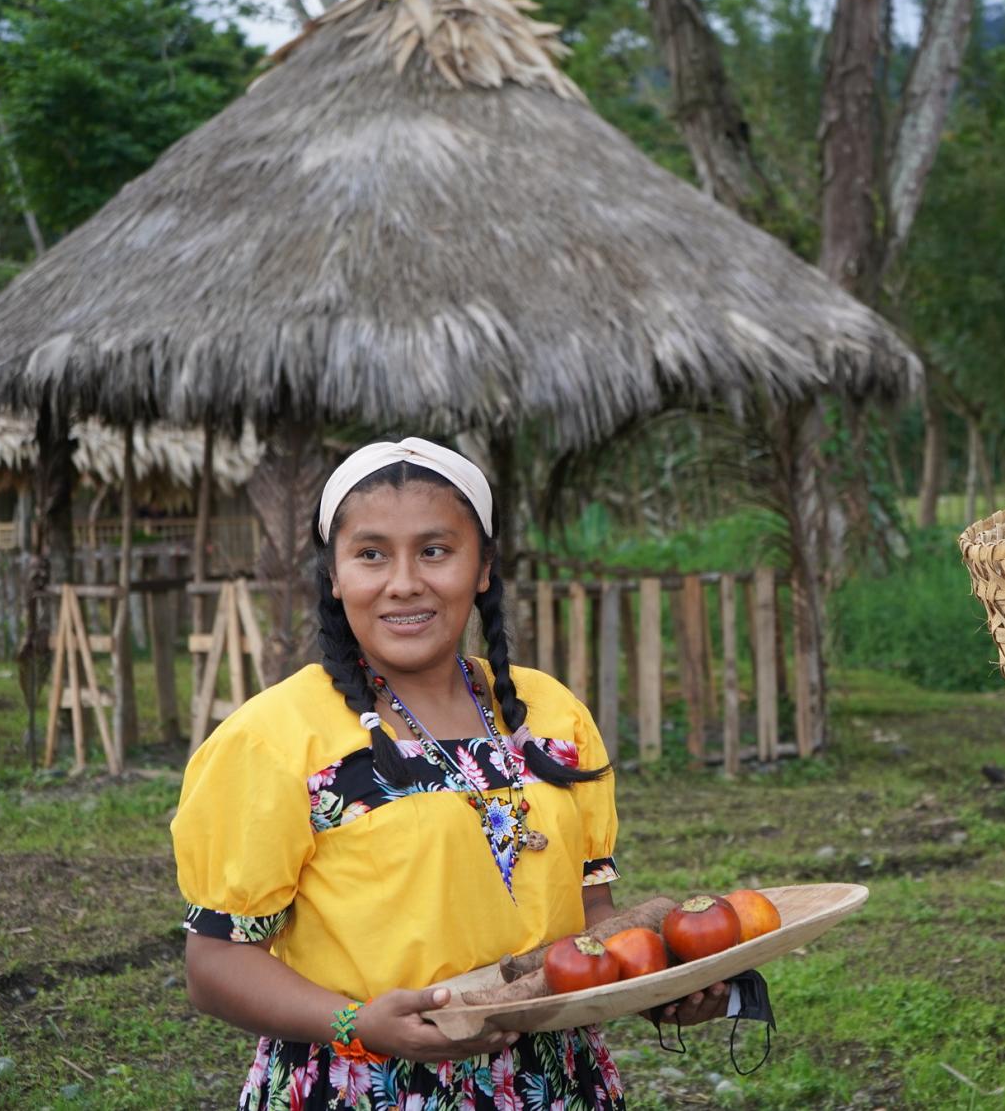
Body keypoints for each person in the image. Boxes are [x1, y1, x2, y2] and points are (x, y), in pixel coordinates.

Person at [173, 438, 727, 1111]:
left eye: (435, 550)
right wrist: (355, 1023)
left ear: (483, 566)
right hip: (361, 1086)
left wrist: (651, 986)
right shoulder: (273, 739)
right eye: (371, 553)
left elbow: (589, 921)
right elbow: (214, 964)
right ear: (335, 574)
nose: (404, 581)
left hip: (552, 1086)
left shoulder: (552, 716)